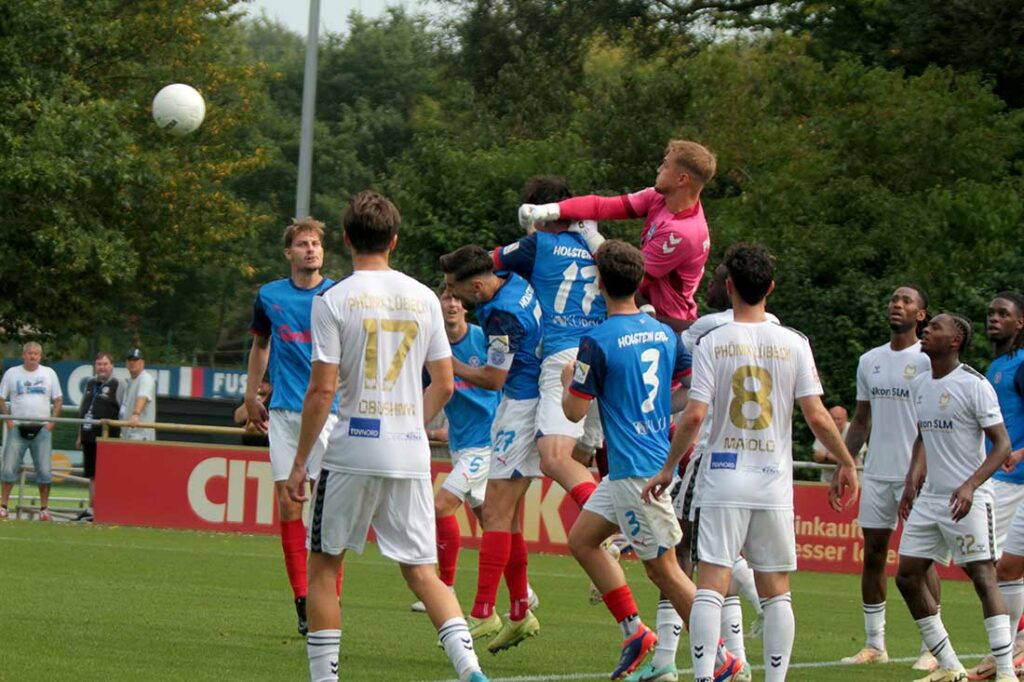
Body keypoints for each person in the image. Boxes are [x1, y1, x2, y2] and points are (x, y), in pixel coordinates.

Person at [285, 190, 489, 682]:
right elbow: (443, 384)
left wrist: (299, 464)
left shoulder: (332, 300)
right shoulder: (424, 297)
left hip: (352, 449)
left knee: (325, 567)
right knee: (423, 572)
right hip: (408, 454)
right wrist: (407, 428)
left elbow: (322, 388)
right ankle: (471, 671)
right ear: (394, 240)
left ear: (348, 240)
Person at [643, 243, 860, 682]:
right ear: (771, 288)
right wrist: (846, 462)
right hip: (773, 482)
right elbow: (816, 414)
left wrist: (668, 467)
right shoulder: (794, 342)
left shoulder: (712, 340)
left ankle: (705, 675)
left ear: (728, 286)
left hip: (723, 476)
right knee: (777, 590)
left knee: (711, 583)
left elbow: (696, 413)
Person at [562, 240, 744, 681]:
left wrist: (569, 379)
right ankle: (635, 632)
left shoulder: (597, 341)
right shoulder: (664, 333)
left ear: (599, 283)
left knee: (664, 569)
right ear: (640, 282)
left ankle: (723, 660)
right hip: (641, 462)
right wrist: (654, 406)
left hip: (634, 472)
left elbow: (572, 411)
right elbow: (686, 387)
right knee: (583, 540)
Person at [895, 313, 1015, 682]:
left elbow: (1002, 445)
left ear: (955, 341)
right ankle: (950, 667)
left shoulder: (974, 385)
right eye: (927, 326)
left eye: (935, 328)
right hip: (931, 499)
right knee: (907, 576)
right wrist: (912, 478)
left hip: (970, 499)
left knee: (982, 576)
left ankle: (1007, 673)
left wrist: (969, 485)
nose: (927, 330)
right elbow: (923, 437)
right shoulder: (921, 384)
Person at [440, 244, 543, 652]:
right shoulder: (515, 281)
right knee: (509, 517)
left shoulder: (500, 316)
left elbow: (493, 378)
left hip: (518, 408)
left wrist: (449, 365)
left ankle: (484, 610)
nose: (452, 296)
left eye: (455, 289)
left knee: (497, 516)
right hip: (529, 401)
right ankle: (520, 609)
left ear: (479, 286)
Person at [245, 217, 340, 635]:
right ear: (289, 253)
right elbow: (260, 345)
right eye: (302, 244)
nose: (310, 250)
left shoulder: (337, 294)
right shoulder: (268, 296)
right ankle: (303, 599)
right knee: (289, 504)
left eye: (316, 243)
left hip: (332, 414)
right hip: (284, 412)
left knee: (329, 513)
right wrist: (251, 394)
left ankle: (329, 599)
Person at [839, 285, 938, 670]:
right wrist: (843, 464)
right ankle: (875, 645)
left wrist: (921, 472)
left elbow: (933, 422)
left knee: (920, 562)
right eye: (893, 299)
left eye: (906, 301)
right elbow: (861, 419)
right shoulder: (870, 360)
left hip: (919, 475)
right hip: (878, 473)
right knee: (874, 555)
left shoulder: (930, 361)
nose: (897, 304)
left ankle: (932, 646)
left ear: (921, 315)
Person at [517, 140, 717, 331]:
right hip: (644, 307)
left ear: (682, 179)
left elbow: (625, 278)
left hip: (668, 322)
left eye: (665, 165)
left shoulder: (682, 233)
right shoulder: (659, 198)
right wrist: (550, 210)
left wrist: (589, 235)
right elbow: (601, 206)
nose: (658, 169)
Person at [496, 175, 605, 510]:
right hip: (606, 354)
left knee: (553, 459)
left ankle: (605, 516)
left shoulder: (538, 245)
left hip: (565, 358)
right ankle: (603, 534)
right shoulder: (599, 246)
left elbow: (486, 264)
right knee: (580, 455)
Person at [409, 285, 502, 612]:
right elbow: (426, 392)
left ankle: (445, 587)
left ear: (465, 306)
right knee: (493, 522)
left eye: (456, 299)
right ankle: (524, 592)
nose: (451, 304)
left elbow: (502, 382)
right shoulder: (431, 347)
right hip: (462, 445)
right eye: (446, 298)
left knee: (441, 507)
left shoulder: (482, 339)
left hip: (488, 444)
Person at [969, 291, 1024, 681]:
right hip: (999, 477)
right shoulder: (996, 365)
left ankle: (1006, 655)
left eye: (1003, 313)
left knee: (1001, 569)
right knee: (1003, 569)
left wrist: (1019, 453)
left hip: (1014, 479)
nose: (994, 318)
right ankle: (1012, 654)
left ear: (1020, 322)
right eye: (990, 313)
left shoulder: (1021, 366)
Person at [0, 342, 64, 520]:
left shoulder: (49, 373)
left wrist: (52, 421)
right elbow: (1, 398)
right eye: (29, 353)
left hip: (42, 429)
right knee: (8, 468)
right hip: (17, 427)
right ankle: (3, 506)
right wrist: (9, 420)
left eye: (36, 354)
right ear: (23, 355)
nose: (33, 356)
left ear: (40, 356)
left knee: (44, 471)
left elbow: (58, 399)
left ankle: (44, 509)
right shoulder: (12, 373)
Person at [76, 352, 125, 521]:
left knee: (104, 475)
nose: (101, 367)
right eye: (99, 364)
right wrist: (80, 434)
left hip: (106, 438)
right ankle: (91, 509)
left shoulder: (118, 384)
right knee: (91, 475)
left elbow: (123, 411)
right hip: (88, 436)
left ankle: (103, 509)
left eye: (105, 364)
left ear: (112, 365)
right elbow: (84, 408)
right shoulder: (90, 382)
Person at [120, 348, 156, 441]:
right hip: (129, 434)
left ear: (142, 363)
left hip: (141, 436)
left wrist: (136, 414)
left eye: (135, 360)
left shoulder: (145, 378)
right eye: (130, 360)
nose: (132, 362)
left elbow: (142, 397)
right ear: (126, 363)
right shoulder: (130, 381)